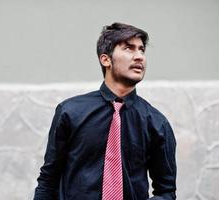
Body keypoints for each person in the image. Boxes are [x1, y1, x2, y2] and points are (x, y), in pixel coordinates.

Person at [34, 22, 176, 200]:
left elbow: (166, 191)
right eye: (129, 48)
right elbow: (48, 180)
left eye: (141, 50)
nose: (139, 56)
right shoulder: (70, 112)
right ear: (105, 59)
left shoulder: (156, 123)